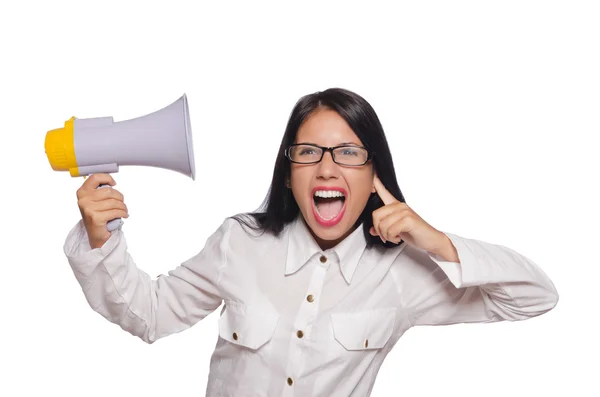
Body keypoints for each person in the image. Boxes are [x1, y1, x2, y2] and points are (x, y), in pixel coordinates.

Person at [63, 87, 559, 396]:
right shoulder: (240, 242)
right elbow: (149, 314)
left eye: (347, 152)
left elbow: (534, 297)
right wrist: (100, 237)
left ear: (374, 176)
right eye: (308, 152)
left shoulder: (404, 274)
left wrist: (434, 241)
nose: (326, 167)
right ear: (287, 174)